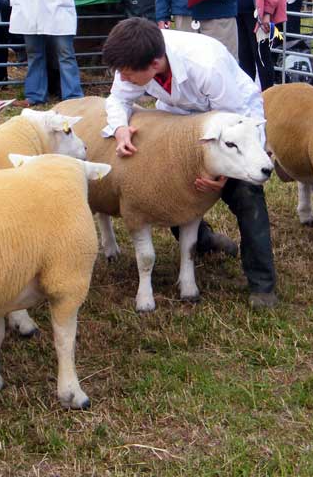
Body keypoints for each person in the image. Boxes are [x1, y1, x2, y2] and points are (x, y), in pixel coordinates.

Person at [100, 17, 278, 308]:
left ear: (155, 64)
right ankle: (204, 240)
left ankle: (262, 283)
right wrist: (120, 128)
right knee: (171, 186)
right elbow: (117, 99)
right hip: (181, 121)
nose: (124, 77)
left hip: (233, 119)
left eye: (129, 73)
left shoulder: (205, 65)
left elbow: (235, 122)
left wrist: (224, 177)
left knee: (246, 193)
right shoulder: (137, 59)